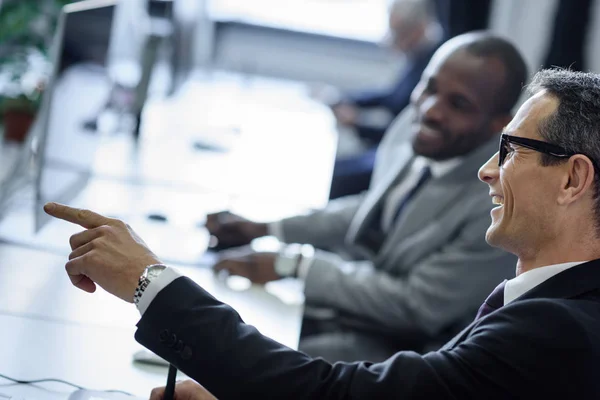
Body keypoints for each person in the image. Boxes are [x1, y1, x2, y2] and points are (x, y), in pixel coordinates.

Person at [45, 67, 600, 399]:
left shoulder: (558, 330)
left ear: (573, 178)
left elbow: (341, 395)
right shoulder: (555, 305)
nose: (486, 171)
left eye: (509, 151)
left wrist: (149, 283)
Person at [204, 32, 527, 362]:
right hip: (347, 310)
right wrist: (268, 229)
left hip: (399, 353)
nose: (431, 110)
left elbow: (416, 306)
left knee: (235, 359)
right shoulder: (413, 127)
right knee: (219, 321)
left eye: (458, 104)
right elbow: (373, 207)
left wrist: (295, 265)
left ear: (498, 124)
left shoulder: (497, 202)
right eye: (429, 87)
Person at [327, 0, 444, 198]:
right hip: (393, 146)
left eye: (399, 32)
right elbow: (392, 97)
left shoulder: (432, 65)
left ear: (420, 28)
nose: (393, 40)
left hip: (404, 155)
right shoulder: (417, 57)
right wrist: (348, 99)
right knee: (337, 166)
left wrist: (357, 124)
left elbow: (406, 133)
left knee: (341, 176)